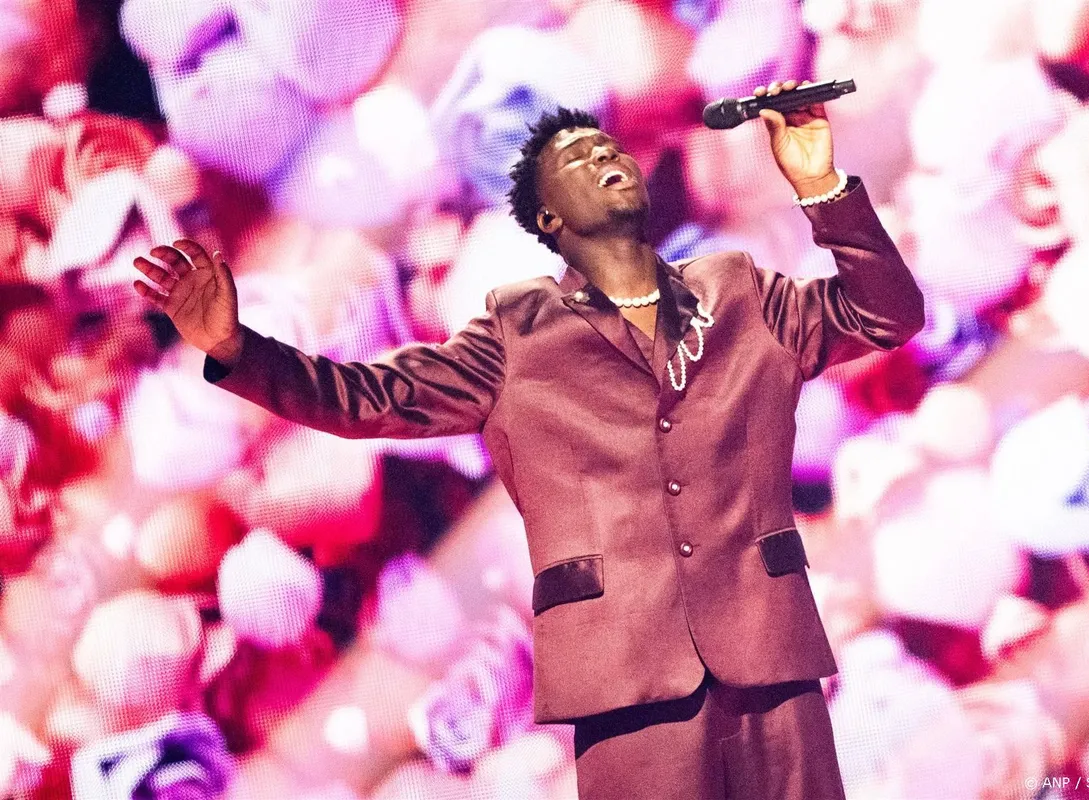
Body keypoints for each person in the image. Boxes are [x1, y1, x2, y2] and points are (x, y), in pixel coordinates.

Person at [132, 79, 925, 799]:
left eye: (606, 155)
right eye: (575, 166)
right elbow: (370, 399)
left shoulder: (734, 294)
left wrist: (823, 186)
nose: (602, 166)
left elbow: (882, 314)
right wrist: (238, 349)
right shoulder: (514, 342)